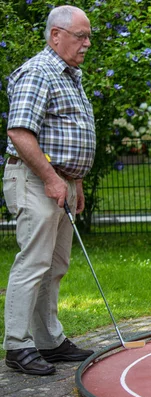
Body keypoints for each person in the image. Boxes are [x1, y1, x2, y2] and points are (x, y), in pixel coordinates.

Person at [3, 5, 96, 375]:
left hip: (61, 183)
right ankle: (17, 345)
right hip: (36, 181)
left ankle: (49, 340)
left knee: (55, 265)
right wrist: (52, 178)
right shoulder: (38, 71)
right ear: (56, 35)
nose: (87, 43)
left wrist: (76, 180)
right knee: (34, 262)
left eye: (89, 36)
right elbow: (20, 132)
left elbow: (68, 135)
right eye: (81, 36)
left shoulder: (70, 75)